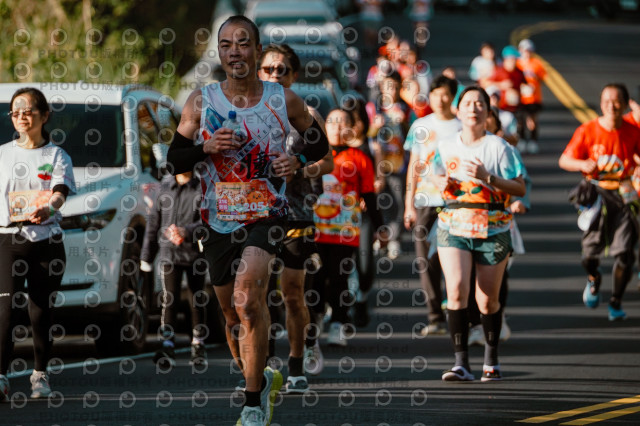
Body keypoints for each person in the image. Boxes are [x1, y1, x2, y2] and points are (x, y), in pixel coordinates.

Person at [166, 16, 330, 426]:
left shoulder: (282, 99)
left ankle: (253, 404)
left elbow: (320, 142)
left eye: (242, 43)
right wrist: (205, 147)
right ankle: (260, 377)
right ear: (219, 53)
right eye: (226, 44)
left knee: (248, 300)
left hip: (267, 214)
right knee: (231, 315)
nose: (234, 51)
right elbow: (174, 160)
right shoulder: (201, 101)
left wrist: (297, 159)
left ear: (256, 50)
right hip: (217, 219)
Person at [433, 86, 526, 382]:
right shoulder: (446, 145)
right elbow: (433, 174)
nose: (473, 108)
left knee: (487, 300)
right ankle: (460, 363)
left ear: (487, 111)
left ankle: (491, 359)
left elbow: (520, 187)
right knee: (456, 289)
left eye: (480, 104)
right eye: (468, 103)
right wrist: (440, 182)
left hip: (493, 226)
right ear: (458, 110)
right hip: (453, 225)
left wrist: (488, 177)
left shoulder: (499, 148)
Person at [257, 43, 334, 390]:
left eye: (282, 70)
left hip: (295, 214)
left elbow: (328, 161)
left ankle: (297, 366)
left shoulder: (307, 113)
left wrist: (300, 169)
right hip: (256, 214)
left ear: (293, 75)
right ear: (259, 72)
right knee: (257, 292)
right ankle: (262, 366)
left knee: (291, 292)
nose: (275, 75)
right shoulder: (246, 113)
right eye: (268, 69)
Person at [0, 87, 76, 400]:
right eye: (15, 112)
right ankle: (1, 377)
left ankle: (40, 375)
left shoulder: (56, 155)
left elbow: (60, 191)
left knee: (40, 310)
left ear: (44, 116)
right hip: (7, 239)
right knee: (5, 309)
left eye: (28, 111)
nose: (21, 117)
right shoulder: (3, 154)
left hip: (46, 239)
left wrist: (49, 208)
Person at [559, 83, 640, 322]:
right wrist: (582, 164)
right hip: (596, 195)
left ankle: (615, 302)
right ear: (601, 103)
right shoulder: (587, 130)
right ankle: (593, 278)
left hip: (624, 196)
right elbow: (564, 160)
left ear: (624, 105)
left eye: (616, 101)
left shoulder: (633, 130)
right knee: (589, 255)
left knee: (625, 253)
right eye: (606, 101)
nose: (611, 106)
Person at [313, 108, 386, 347]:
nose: (336, 127)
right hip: (314, 230)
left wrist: (380, 227)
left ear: (350, 128)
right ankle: (314, 318)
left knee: (339, 277)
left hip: (345, 231)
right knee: (315, 278)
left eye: (342, 122)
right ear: (324, 126)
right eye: (332, 122)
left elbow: (369, 195)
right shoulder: (313, 154)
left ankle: (338, 323)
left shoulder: (359, 158)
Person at [404, 75, 462, 336]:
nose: (441, 99)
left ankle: (458, 309)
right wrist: (409, 204)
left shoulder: (462, 127)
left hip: (455, 202)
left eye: (446, 93)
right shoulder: (421, 125)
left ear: (453, 96)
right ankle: (435, 316)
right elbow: (414, 167)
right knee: (425, 260)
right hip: (425, 202)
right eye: (436, 93)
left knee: (455, 257)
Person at [141, 166, 208, 368]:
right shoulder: (165, 187)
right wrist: (146, 257)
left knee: (196, 299)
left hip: (195, 253)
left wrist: (187, 231)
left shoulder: (201, 188)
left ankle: (198, 343)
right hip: (169, 253)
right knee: (169, 299)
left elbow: (208, 221)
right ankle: (167, 344)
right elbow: (153, 223)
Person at [368, 71, 415, 259]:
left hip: (398, 164)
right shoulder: (373, 108)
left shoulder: (406, 109)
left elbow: (415, 135)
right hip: (377, 165)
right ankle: (381, 237)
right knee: (378, 202)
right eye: (388, 86)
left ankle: (395, 239)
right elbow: (364, 133)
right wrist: (375, 126)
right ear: (381, 87)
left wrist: (404, 123)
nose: (392, 91)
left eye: (395, 87)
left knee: (397, 202)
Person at [517, 39, 547, 154]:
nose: (526, 52)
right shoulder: (517, 63)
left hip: (534, 97)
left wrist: (535, 79)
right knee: (520, 120)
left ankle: (533, 141)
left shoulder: (536, 63)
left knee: (532, 120)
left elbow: (543, 78)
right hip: (520, 97)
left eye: (528, 50)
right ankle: (522, 139)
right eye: (524, 50)